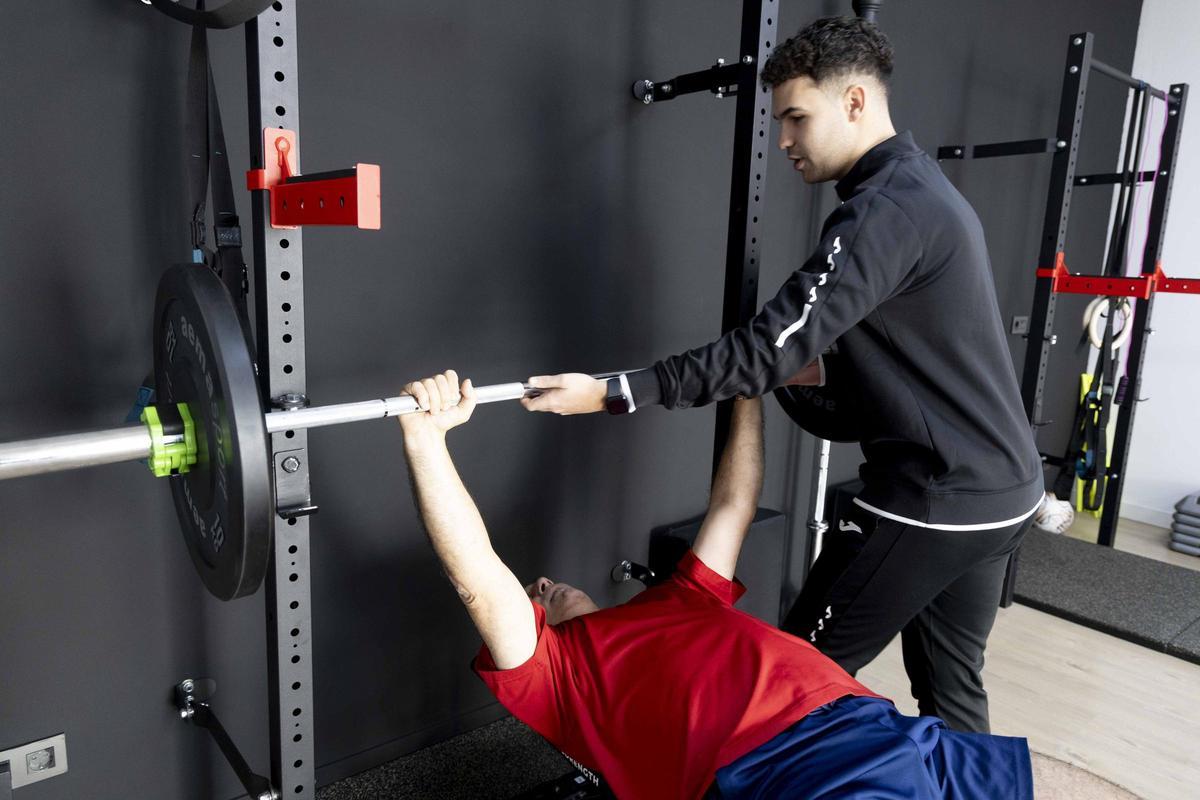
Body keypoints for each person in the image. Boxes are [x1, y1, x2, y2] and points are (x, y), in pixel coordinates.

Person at [518, 16, 1043, 735]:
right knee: (952, 697)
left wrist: (612, 391)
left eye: (797, 117)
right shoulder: (922, 193)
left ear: (855, 102)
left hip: (936, 500)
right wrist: (795, 376)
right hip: (1005, 495)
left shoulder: (882, 215)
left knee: (786, 684)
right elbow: (893, 365)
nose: (784, 140)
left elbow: (766, 348)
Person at [397, 369, 1033, 800]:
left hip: (874, 724)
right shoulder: (556, 679)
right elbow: (478, 579)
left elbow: (734, 502)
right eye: (536, 594)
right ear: (536, 623)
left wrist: (744, 383)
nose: (543, 583)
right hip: (783, 764)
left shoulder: (683, 595)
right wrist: (426, 441)